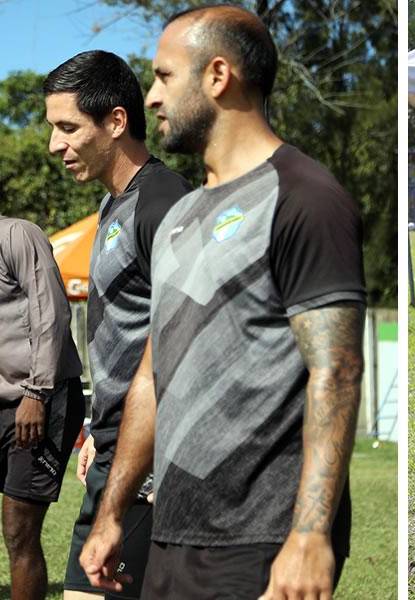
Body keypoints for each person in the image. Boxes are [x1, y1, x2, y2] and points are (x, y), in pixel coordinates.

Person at [77, 6, 365, 599]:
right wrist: (111, 513)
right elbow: (152, 379)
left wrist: (310, 535)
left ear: (216, 75)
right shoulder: (179, 215)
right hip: (171, 534)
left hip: (262, 538)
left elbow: (335, 370)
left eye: (163, 77)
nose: (152, 98)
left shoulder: (305, 197)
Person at [44, 50, 193, 600]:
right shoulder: (115, 206)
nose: (54, 146)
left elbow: (186, 343)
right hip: (116, 452)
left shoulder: (163, 203)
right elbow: (129, 338)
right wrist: (97, 428)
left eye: (67, 127)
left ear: (115, 121)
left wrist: (148, 464)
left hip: (149, 466)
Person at [0, 217, 85, 600]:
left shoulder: (17, 234)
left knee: (20, 527)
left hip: (42, 398)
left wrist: (36, 394)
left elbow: (50, 313)